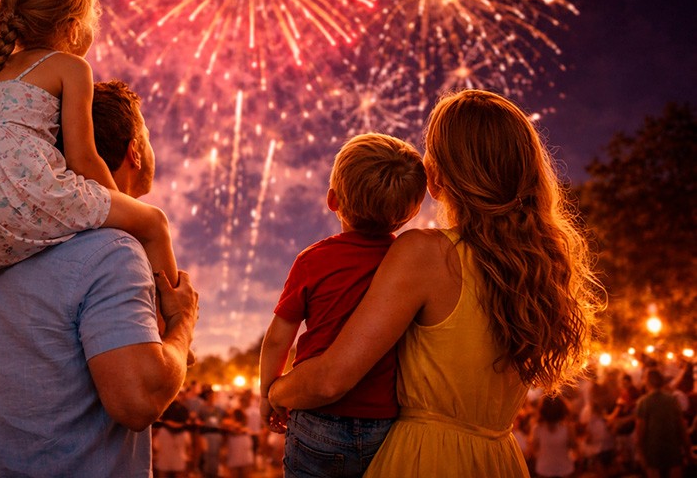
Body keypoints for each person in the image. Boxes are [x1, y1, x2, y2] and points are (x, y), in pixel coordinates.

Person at [269, 89, 604, 477]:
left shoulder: (426, 253)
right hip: (497, 459)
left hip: (424, 459)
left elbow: (330, 380)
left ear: (441, 174)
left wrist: (276, 391)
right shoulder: (538, 268)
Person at [0, 79, 198, 476]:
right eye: (148, 137)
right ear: (134, 150)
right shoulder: (112, 253)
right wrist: (183, 321)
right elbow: (138, 401)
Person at [0, 0, 177, 285]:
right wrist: (122, 210)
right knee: (154, 223)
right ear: (72, 28)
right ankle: (173, 319)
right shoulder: (70, 67)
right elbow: (83, 157)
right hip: (18, 187)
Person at [258, 132, 426, 477]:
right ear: (410, 212)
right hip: (388, 423)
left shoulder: (313, 260)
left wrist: (268, 392)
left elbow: (278, 338)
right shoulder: (409, 261)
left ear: (332, 200)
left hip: (319, 418)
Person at [635, 368, 694, 478]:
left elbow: (640, 433)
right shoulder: (672, 400)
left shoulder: (643, 402)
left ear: (647, 382)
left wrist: (641, 455)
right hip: (673, 450)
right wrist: (688, 452)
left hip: (653, 452)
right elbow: (681, 428)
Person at [529, 396, 577, 478]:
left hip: (544, 469)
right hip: (565, 469)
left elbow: (533, 450)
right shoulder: (568, 428)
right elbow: (574, 448)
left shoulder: (537, 429)